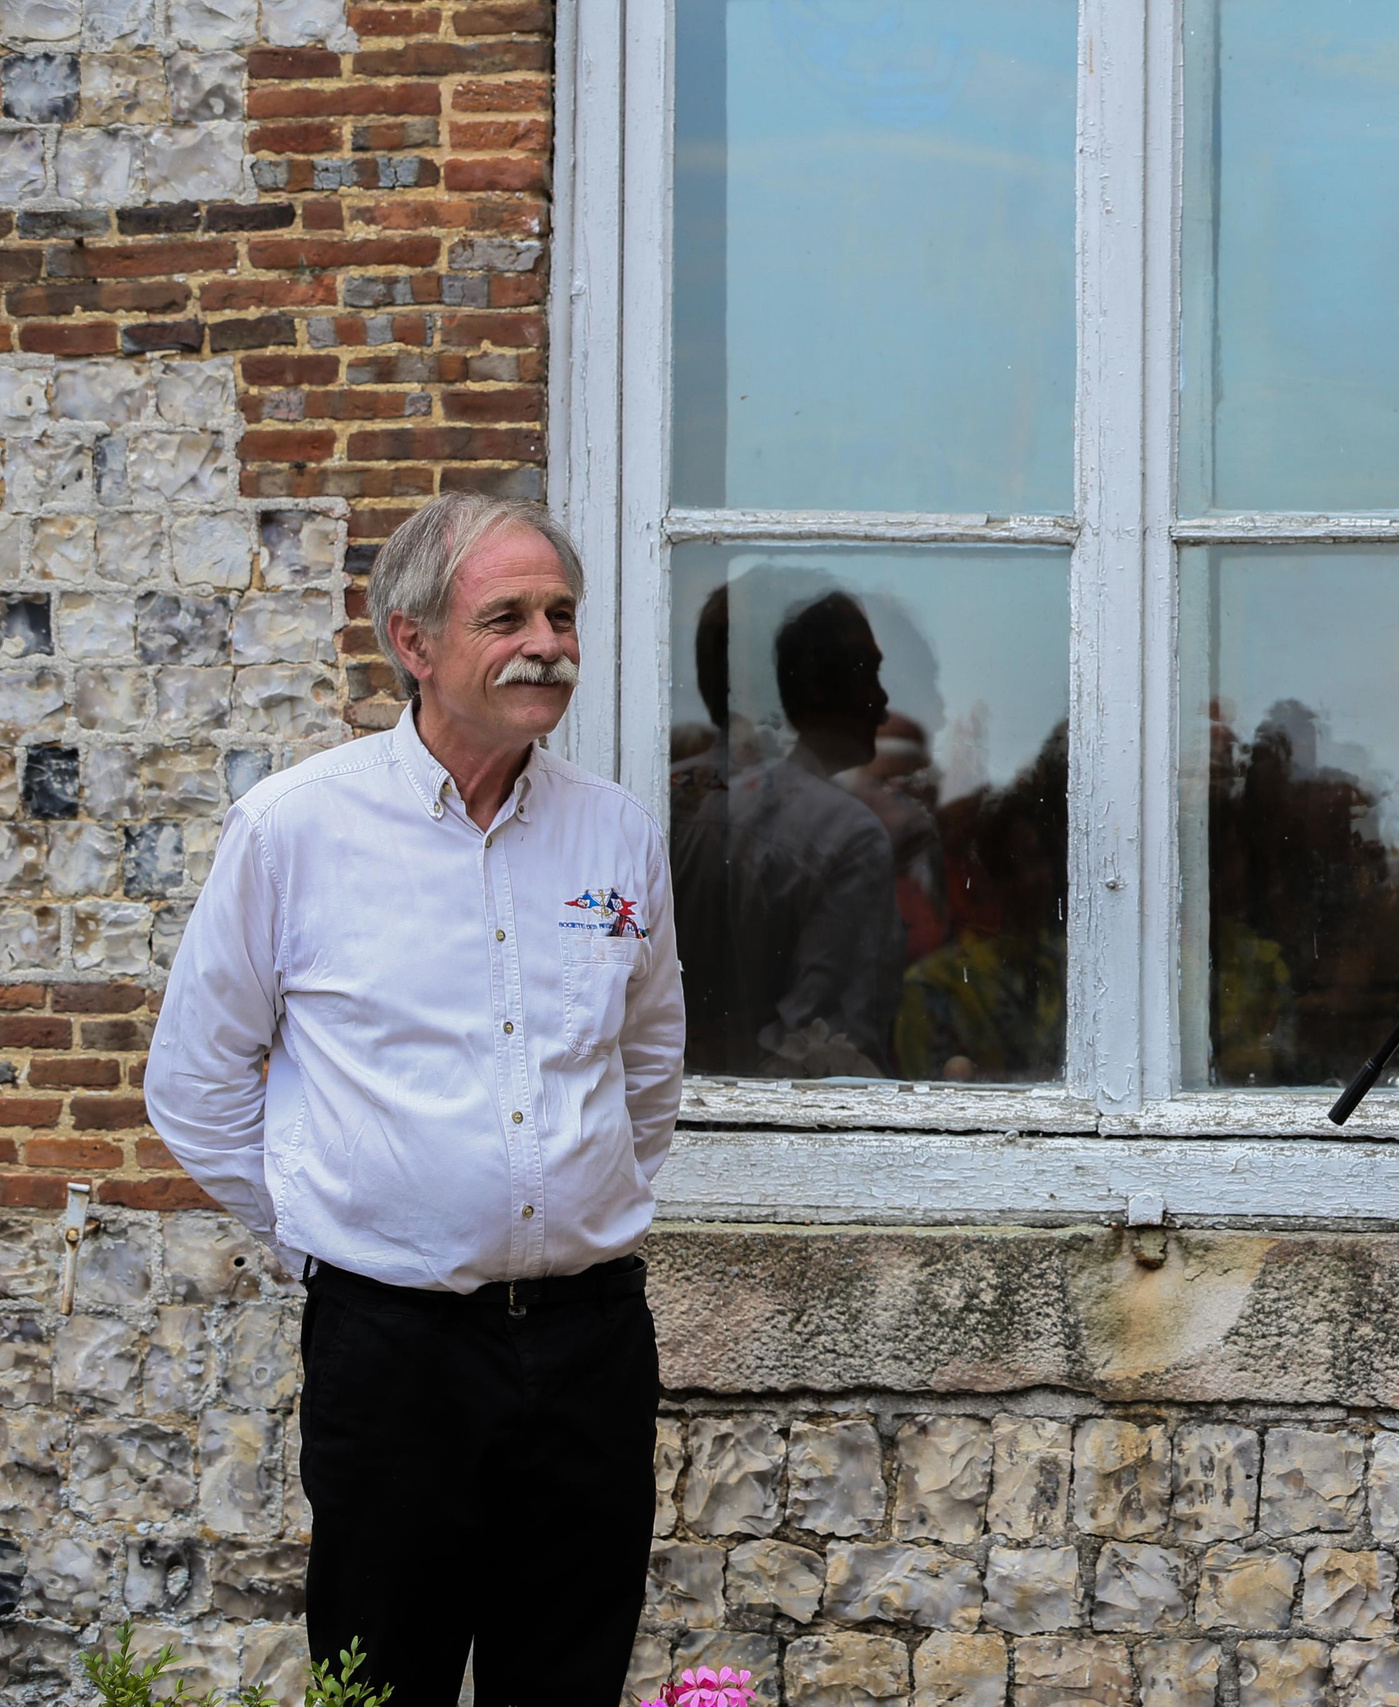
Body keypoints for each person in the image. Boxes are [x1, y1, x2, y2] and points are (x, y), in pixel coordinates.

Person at [146, 494, 683, 1707]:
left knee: (569, 1675)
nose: (546, 641)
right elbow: (194, 1081)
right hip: (395, 1353)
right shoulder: (294, 829)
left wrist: (586, 1194)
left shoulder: (617, 835)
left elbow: (649, 1065)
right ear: (413, 640)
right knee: (381, 1678)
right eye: (505, 617)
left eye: (560, 613)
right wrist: (324, 1231)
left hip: (590, 1342)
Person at [671, 587, 906, 1077]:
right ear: (815, 683)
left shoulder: (668, 798)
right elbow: (827, 1057)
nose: (883, 704)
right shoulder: (848, 835)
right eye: (867, 671)